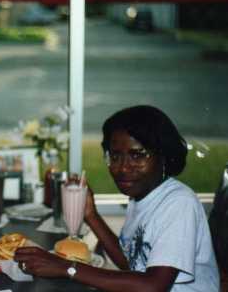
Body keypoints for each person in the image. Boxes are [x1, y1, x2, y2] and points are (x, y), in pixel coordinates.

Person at [14, 105, 220, 292]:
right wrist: (91, 215)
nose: (122, 168)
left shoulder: (178, 204)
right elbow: (130, 264)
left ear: (164, 156)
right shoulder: (140, 197)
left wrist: (66, 267)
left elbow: (154, 286)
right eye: (115, 156)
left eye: (137, 155)